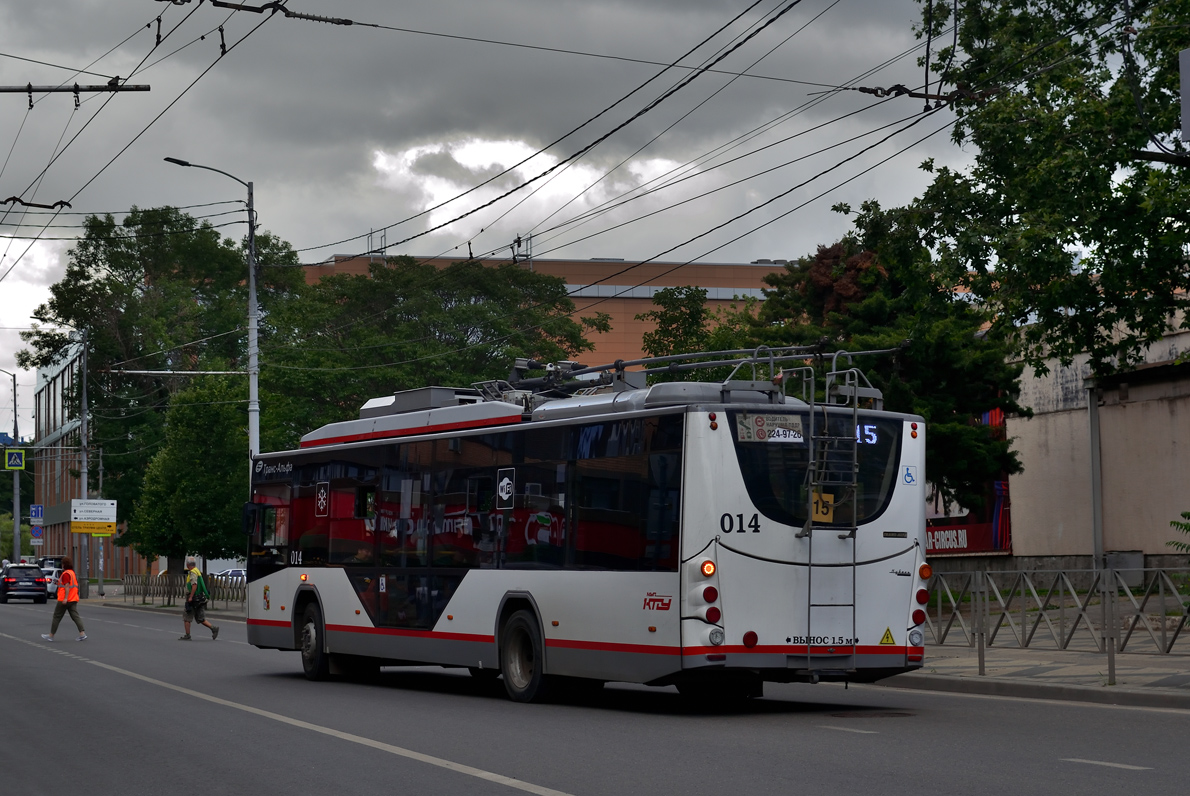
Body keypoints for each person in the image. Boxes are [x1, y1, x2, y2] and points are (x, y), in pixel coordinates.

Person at [41, 556, 86, 642]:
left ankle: (51, 635)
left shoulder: (65, 574)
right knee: (75, 616)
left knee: (56, 616)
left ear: (64, 564)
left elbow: (67, 586)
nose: (61, 565)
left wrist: (65, 598)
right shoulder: (72, 573)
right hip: (73, 599)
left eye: (62, 563)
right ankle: (82, 634)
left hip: (64, 600)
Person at [180, 558, 219, 641]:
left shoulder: (193, 573)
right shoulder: (197, 571)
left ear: (187, 565)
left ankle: (187, 635)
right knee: (200, 618)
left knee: (187, 616)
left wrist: (191, 596)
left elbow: (194, 585)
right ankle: (213, 628)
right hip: (199, 598)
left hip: (193, 598)